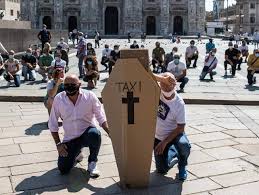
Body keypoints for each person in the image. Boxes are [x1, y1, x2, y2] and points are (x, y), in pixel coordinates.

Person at [48, 74, 110, 177]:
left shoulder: (89, 96)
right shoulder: (59, 99)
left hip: (87, 133)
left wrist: (109, 131)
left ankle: (92, 163)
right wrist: (58, 144)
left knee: (95, 134)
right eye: (66, 84)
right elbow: (52, 123)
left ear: (79, 84)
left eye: (73, 84)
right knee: (63, 169)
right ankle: (77, 152)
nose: (69, 86)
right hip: (70, 139)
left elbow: (101, 117)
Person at [154, 72, 191, 181]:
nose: (166, 86)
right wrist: (162, 79)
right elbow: (145, 73)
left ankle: (182, 164)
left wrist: (165, 142)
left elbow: (181, 127)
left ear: (174, 84)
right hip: (158, 137)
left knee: (184, 145)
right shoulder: (157, 92)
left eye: (170, 83)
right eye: (164, 83)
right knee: (161, 169)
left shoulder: (179, 103)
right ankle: (174, 151)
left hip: (175, 135)